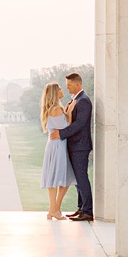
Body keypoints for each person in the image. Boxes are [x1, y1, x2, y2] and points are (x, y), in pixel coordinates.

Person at [60, 72, 95, 221]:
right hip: (75, 145)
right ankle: (81, 208)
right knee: (78, 179)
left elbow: (79, 124)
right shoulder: (75, 100)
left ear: (77, 84)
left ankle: (87, 211)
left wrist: (61, 134)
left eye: (69, 85)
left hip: (80, 146)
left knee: (82, 178)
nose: (67, 88)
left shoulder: (84, 101)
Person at [40, 81, 76, 219]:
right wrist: (70, 112)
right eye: (60, 89)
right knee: (58, 178)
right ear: (55, 93)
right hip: (57, 146)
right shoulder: (56, 109)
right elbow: (67, 128)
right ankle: (53, 209)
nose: (62, 90)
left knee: (60, 178)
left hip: (55, 145)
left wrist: (66, 111)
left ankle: (54, 209)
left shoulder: (56, 108)